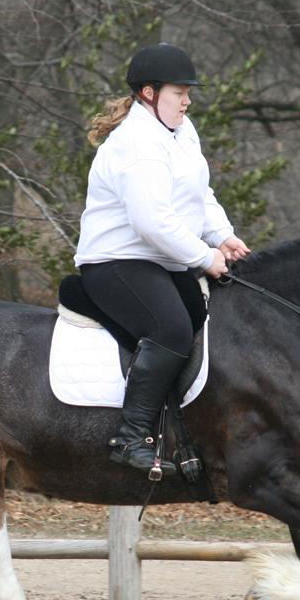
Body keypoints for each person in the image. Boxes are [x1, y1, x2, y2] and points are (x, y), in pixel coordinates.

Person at [75, 42, 251, 477]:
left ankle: (181, 431)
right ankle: (131, 437)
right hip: (116, 261)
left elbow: (198, 193)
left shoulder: (180, 132)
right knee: (170, 327)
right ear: (149, 94)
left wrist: (223, 235)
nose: (187, 100)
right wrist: (204, 256)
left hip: (160, 260)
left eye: (188, 92)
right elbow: (151, 221)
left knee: (205, 317)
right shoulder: (137, 144)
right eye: (179, 92)